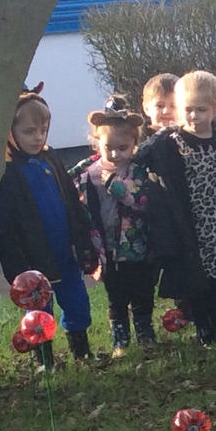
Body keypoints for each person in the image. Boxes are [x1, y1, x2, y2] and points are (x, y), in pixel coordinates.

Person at [135, 69, 216, 344]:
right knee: (197, 280)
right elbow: (141, 158)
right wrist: (161, 135)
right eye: (188, 110)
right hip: (192, 225)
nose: (194, 117)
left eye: (201, 110)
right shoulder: (173, 142)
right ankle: (203, 329)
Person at [0, 86, 99, 365]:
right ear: (9, 131)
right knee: (39, 310)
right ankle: (44, 359)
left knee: (76, 301)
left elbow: (73, 204)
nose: (38, 138)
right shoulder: (8, 172)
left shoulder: (52, 160)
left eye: (43, 130)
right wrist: (17, 265)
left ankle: (81, 350)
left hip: (66, 251)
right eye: (29, 132)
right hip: (33, 259)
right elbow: (6, 224)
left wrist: (83, 242)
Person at [73, 97, 156, 357]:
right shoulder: (87, 172)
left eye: (123, 148)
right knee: (115, 297)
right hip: (105, 249)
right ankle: (120, 341)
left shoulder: (137, 171)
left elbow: (142, 202)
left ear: (134, 145)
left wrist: (117, 188)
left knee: (142, 294)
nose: (115, 154)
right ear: (97, 142)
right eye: (109, 147)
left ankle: (145, 335)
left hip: (136, 246)